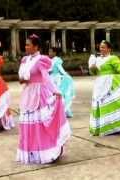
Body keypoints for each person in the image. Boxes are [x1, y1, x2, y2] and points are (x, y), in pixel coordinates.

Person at [17, 34, 71, 164]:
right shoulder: (25, 60)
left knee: (41, 123)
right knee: (28, 123)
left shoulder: (41, 59)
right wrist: (24, 78)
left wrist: (55, 91)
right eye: (25, 44)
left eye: (28, 44)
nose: (26, 46)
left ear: (36, 46)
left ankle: (49, 149)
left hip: (40, 93)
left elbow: (46, 78)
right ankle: (32, 152)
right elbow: (21, 80)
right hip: (28, 93)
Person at [49, 47, 75, 118]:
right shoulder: (50, 60)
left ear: (55, 53)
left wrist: (66, 75)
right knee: (52, 96)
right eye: (49, 52)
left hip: (56, 79)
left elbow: (60, 69)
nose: (49, 53)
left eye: (51, 52)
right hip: (51, 78)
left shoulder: (57, 60)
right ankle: (55, 111)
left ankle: (63, 111)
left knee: (58, 95)